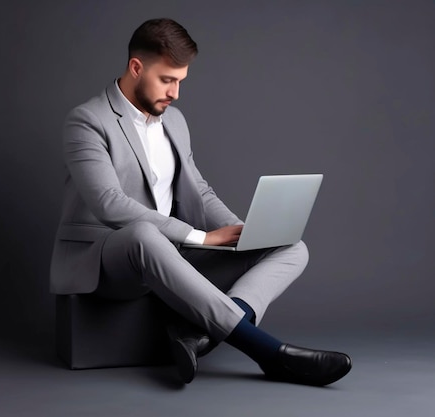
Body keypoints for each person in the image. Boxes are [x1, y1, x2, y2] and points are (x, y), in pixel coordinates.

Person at [50, 18, 351, 386]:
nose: (175, 92)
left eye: (180, 81)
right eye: (167, 80)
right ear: (136, 67)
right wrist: (201, 237)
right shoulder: (87, 121)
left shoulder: (174, 121)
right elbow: (107, 202)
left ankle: (200, 335)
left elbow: (200, 191)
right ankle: (269, 354)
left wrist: (248, 231)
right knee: (143, 234)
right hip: (109, 261)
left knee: (292, 247)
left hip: (171, 253)